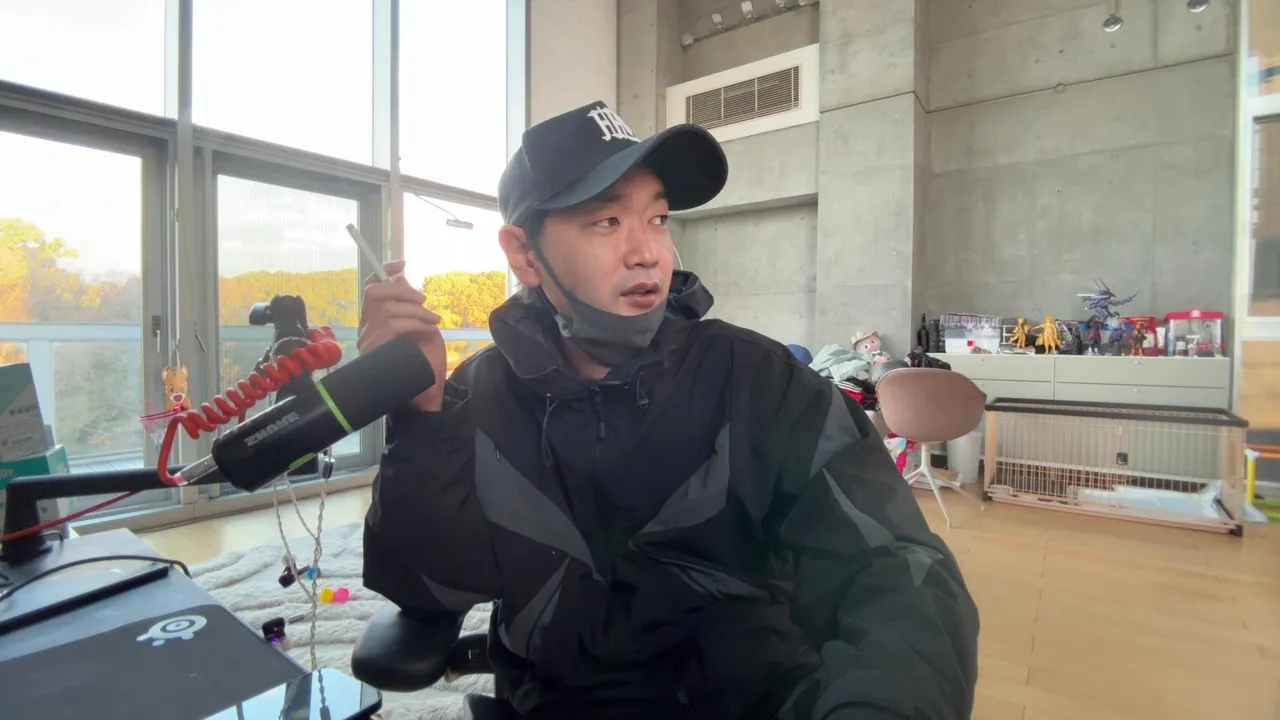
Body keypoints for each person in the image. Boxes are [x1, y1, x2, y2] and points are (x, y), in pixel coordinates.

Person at [359, 101, 979, 720]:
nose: (649, 252)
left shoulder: (761, 382)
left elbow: (895, 569)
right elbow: (427, 587)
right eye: (607, 221)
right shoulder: (478, 397)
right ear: (524, 254)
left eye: (656, 218)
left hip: (752, 701)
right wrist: (420, 417)